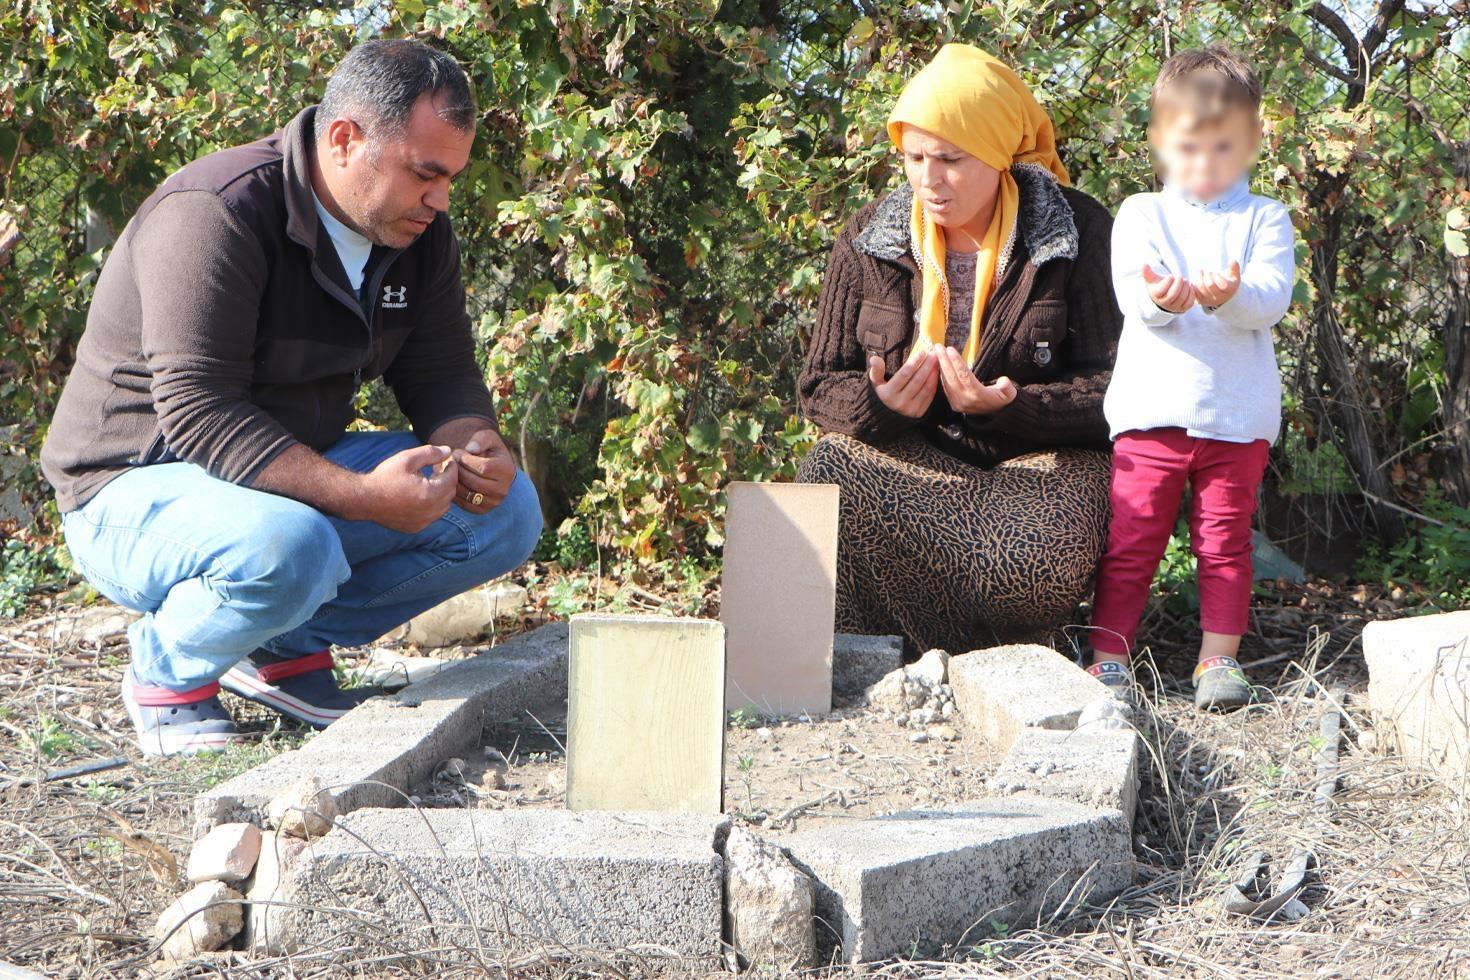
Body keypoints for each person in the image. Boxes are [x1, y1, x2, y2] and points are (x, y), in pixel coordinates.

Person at [39, 40, 543, 756]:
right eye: (424, 174)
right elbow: (199, 411)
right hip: (130, 485)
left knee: (506, 512)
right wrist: (362, 497)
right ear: (345, 140)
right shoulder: (216, 211)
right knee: (290, 544)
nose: (441, 199)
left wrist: (471, 440)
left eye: (451, 178)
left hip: (275, 479)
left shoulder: (416, 233)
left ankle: (277, 649)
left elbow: (439, 368)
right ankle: (167, 671)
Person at [796, 43, 1123, 655]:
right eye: (914, 157)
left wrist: (1015, 406)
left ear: (998, 156)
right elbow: (820, 384)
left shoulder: (1078, 230)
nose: (928, 178)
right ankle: (969, 649)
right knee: (826, 474)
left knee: (1028, 565)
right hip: (917, 465)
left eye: (950, 159)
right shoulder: (869, 238)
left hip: (1044, 473)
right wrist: (880, 406)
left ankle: (946, 642)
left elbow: (1120, 388)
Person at [1085, 47, 1296, 710]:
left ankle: (1218, 660)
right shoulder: (1141, 213)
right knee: (1133, 539)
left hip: (1237, 416)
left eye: (1223, 147)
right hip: (1152, 413)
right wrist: (1163, 300)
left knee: (1225, 542)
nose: (1204, 164)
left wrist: (1231, 295)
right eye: (1187, 148)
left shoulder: (1265, 217)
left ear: (1252, 141)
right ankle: (1109, 659)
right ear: (1159, 142)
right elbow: (1132, 295)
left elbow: (1271, 299)